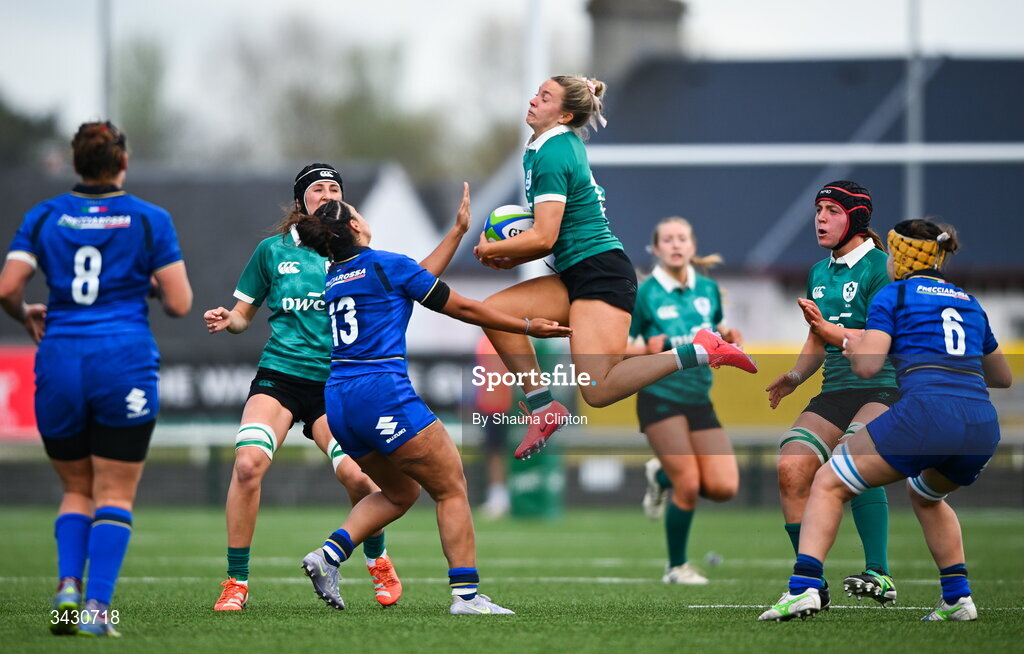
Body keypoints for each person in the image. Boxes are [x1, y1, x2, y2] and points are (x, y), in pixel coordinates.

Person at [204, 165, 473, 611]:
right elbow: (242, 316)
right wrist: (227, 320)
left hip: (336, 382)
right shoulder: (272, 252)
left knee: (357, 476)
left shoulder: (352, 253)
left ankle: (376, 558)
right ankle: (236, 581)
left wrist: (456, 233)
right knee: (248, 465)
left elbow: (417, 280)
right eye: (317, 188)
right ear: (300, 204)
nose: (328, 192)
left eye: (335, 188)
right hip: (282, 375)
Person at [294, 198, 570, 615]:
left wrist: (457, 232)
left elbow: (413, 278)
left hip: (340, 402)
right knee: (451, 486)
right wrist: (527, 326)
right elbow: (464, 307)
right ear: (354, 224)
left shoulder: (336, 276)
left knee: (399, 492)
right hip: (381, 394)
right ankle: (466, 596)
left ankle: (328, 556)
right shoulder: (387, 265)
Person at [474, 76, 756, 459]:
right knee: (493, 314)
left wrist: (497, 250)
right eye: (537, 94)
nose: (533, 100)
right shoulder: (545, 147)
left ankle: (698, 349)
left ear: (565, 114)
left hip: (600, 273)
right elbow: (551, 238)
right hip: (576, 271)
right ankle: (544, 408)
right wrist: (508, 256)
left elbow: (543, 237)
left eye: (545, 97)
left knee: (598, 389)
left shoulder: (555, 152)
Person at [759, 219, 1012, 622]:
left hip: (928, 414)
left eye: (892, 254)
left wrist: (833, 332)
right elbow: (1001, 377)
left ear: (901, 258)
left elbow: (867, 364)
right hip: (982, 425)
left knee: (829, 479)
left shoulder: (894, 295)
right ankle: (958, 598)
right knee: (927, 495)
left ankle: (804, 586)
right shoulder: (967, 300)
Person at [0, 121, 193, 637]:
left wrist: (25, 315)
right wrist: (145, 285)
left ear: (75, 163)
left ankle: (67, 595)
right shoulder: (150, 220)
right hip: (122, 361)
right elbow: (179, 303)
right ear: (123, 162)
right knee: (115, 491)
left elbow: (7, 287)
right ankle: (97, 611)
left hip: (59, 359)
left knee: (76, 488)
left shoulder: (44, 216)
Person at [763, 181, 898, 608]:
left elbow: (884, 339)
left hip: (884, 386)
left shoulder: (883, 267)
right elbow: (817, 341)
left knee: (849, 455)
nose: (820, 218)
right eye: (818, 209)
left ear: (856, 219)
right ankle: (809, 583)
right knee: (791, 464)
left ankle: (880, 573)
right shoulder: (820, 272)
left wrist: (830, 331)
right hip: (837, 389)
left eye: (831, 210)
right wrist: (795, 376)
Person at [628, 217, 741, 585]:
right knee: (689, 484)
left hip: (698, 397)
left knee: (725, 488)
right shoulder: (644, 294)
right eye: (668, 239)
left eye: (682, 238)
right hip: (660, 396)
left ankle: (660, 474)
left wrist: (728, 336)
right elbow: (618, 347)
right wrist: (644, 348)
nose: (676, 244)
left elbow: (717, 334)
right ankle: (676, 567)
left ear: (692, 246)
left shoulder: (707, 288)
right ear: (656, 249)